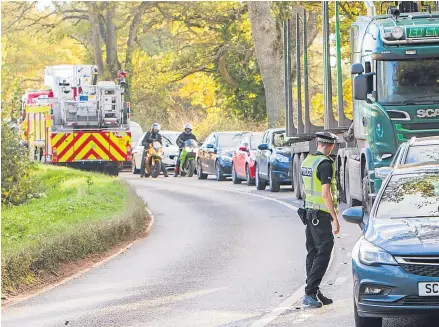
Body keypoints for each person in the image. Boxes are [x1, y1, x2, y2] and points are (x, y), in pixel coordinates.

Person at [300, 131, 340, 308]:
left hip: (309, 214)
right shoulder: (325, 164)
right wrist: (335, 218)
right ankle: (310, 292)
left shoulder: (308, 161)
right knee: (324, 251)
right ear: (331, 146)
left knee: (313, 252)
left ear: (318, 144)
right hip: (321, 216)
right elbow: (326, 194)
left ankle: (313, 290)